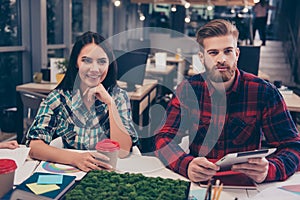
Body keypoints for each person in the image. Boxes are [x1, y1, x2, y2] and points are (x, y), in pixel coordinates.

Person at [154, 19, 300, 183]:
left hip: (246, 184)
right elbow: (163, 138)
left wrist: (270, 169)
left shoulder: (264, 92)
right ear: (202, 58)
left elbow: (293, 147)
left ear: (237, 54)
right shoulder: (188, 90)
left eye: (228, 51)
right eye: (213, 53)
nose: (221, 59)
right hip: (201, 183)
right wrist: (186, 165)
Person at [26, 31, 138, 172]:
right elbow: (34, 146)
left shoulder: (118, 96)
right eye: (87, 60)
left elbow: (123, 151)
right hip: (72, 172)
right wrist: (75, 158)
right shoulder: (59, 98)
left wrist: (110, 104)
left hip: (109, 173)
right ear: (76, 63)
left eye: (102, 61)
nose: (95, 69)